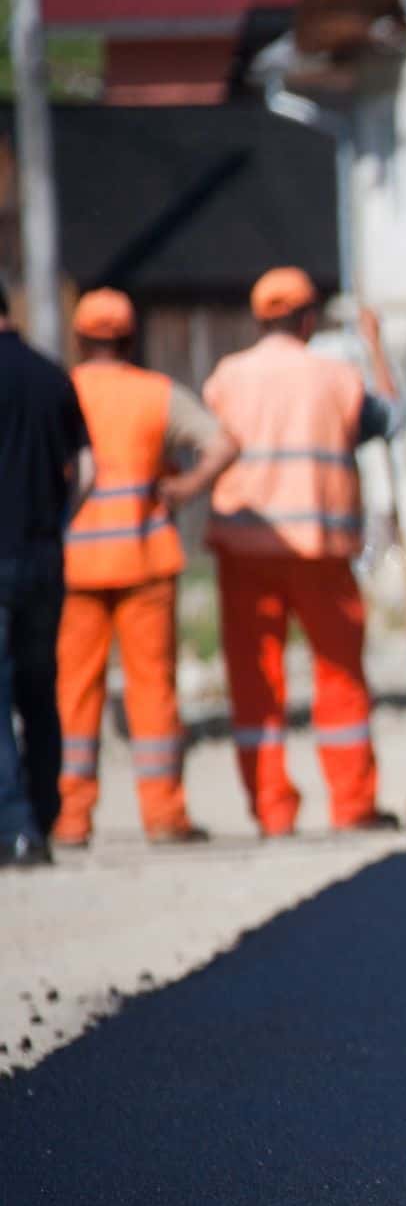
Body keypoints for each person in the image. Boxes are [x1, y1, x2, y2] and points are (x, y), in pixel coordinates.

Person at [201, 268, 402, 837]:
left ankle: (271, 811)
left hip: (243, 549)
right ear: (309, 319)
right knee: (339, 676)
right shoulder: (337, 377)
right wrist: (376, 346)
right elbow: (392, 420)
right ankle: (353, 805)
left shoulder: (227, 377)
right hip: (321, 551)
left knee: (254, 681)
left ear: (260, 318)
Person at [54, 288, 240, 849]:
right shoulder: (156, 394)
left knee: (75, 692)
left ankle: (70, 817)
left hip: (76, 563)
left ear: (80, 338)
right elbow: (223, 443)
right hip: (145, 559)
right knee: (152, 690)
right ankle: (163, 815)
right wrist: (184, 488)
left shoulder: (65, 392)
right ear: (130, 338)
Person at [0, 289, 94, 870]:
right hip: (43, 555)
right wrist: (59, 523)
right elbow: (86, 470)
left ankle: (16, 827)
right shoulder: (51, 376)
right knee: (39, 691)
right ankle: (45, 812)